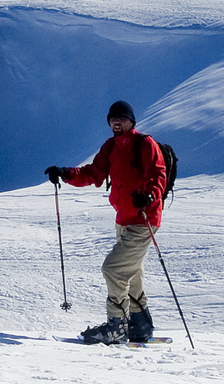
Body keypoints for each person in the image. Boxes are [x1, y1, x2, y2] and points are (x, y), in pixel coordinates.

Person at [45, 100, 167, 344]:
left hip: (144, 219)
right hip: (123, 219)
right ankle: (139, 324)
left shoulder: (144, 144)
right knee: (130, 271)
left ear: (132, 121)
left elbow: (158, 174)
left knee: (113, 269)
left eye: (121, 117)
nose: (116, 122)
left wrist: (150, 195)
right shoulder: (111, 147)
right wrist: (66, 173)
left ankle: (116, 326)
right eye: (112, 119)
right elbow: (93, 173)